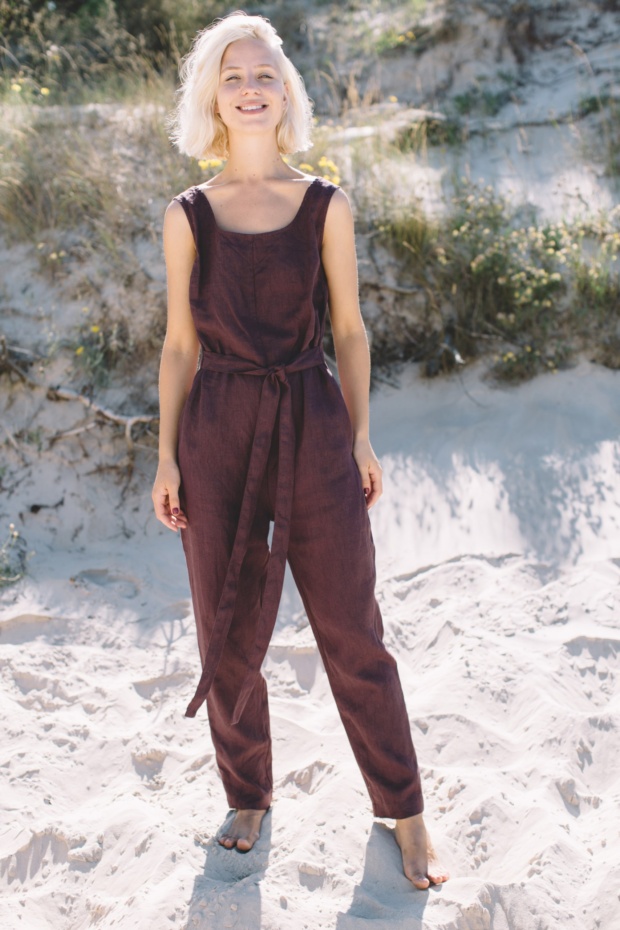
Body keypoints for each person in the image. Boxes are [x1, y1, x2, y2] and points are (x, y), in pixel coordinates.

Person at [151, 10, 449, 890]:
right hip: (217, 427)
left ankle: (404, 807)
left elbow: (350, 330)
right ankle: (248, 792)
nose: (250, 88)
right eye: (234, 75)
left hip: (313, 417)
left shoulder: (326, 203)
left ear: (287, 95)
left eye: (266, 75)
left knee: (353, 626)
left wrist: (358, 434)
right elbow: (177, 346)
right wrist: (166, 457)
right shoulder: (188, 214)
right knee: (226, 623)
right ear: (214, 94)